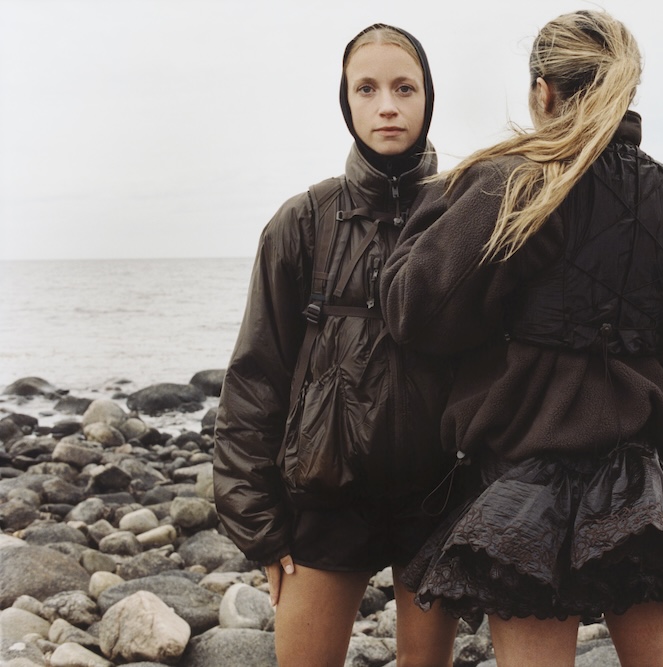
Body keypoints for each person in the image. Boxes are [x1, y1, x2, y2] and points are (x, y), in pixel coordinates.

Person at [380, 10, 663, 667]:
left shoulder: (510, 186)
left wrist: (439, 209)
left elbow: (417, 311)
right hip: (649, 479)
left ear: (541, 93)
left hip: (523, 481)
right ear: (626, 91)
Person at [213, 24, 459, 667]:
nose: (387, 105)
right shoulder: (302, 222)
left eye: (405, 88)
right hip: (324, 502)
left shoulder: (466, 214)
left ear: (428, 97)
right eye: (367, 88)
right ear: (345, 102)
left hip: (437, 503)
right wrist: (260, 531)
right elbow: (255, 378)